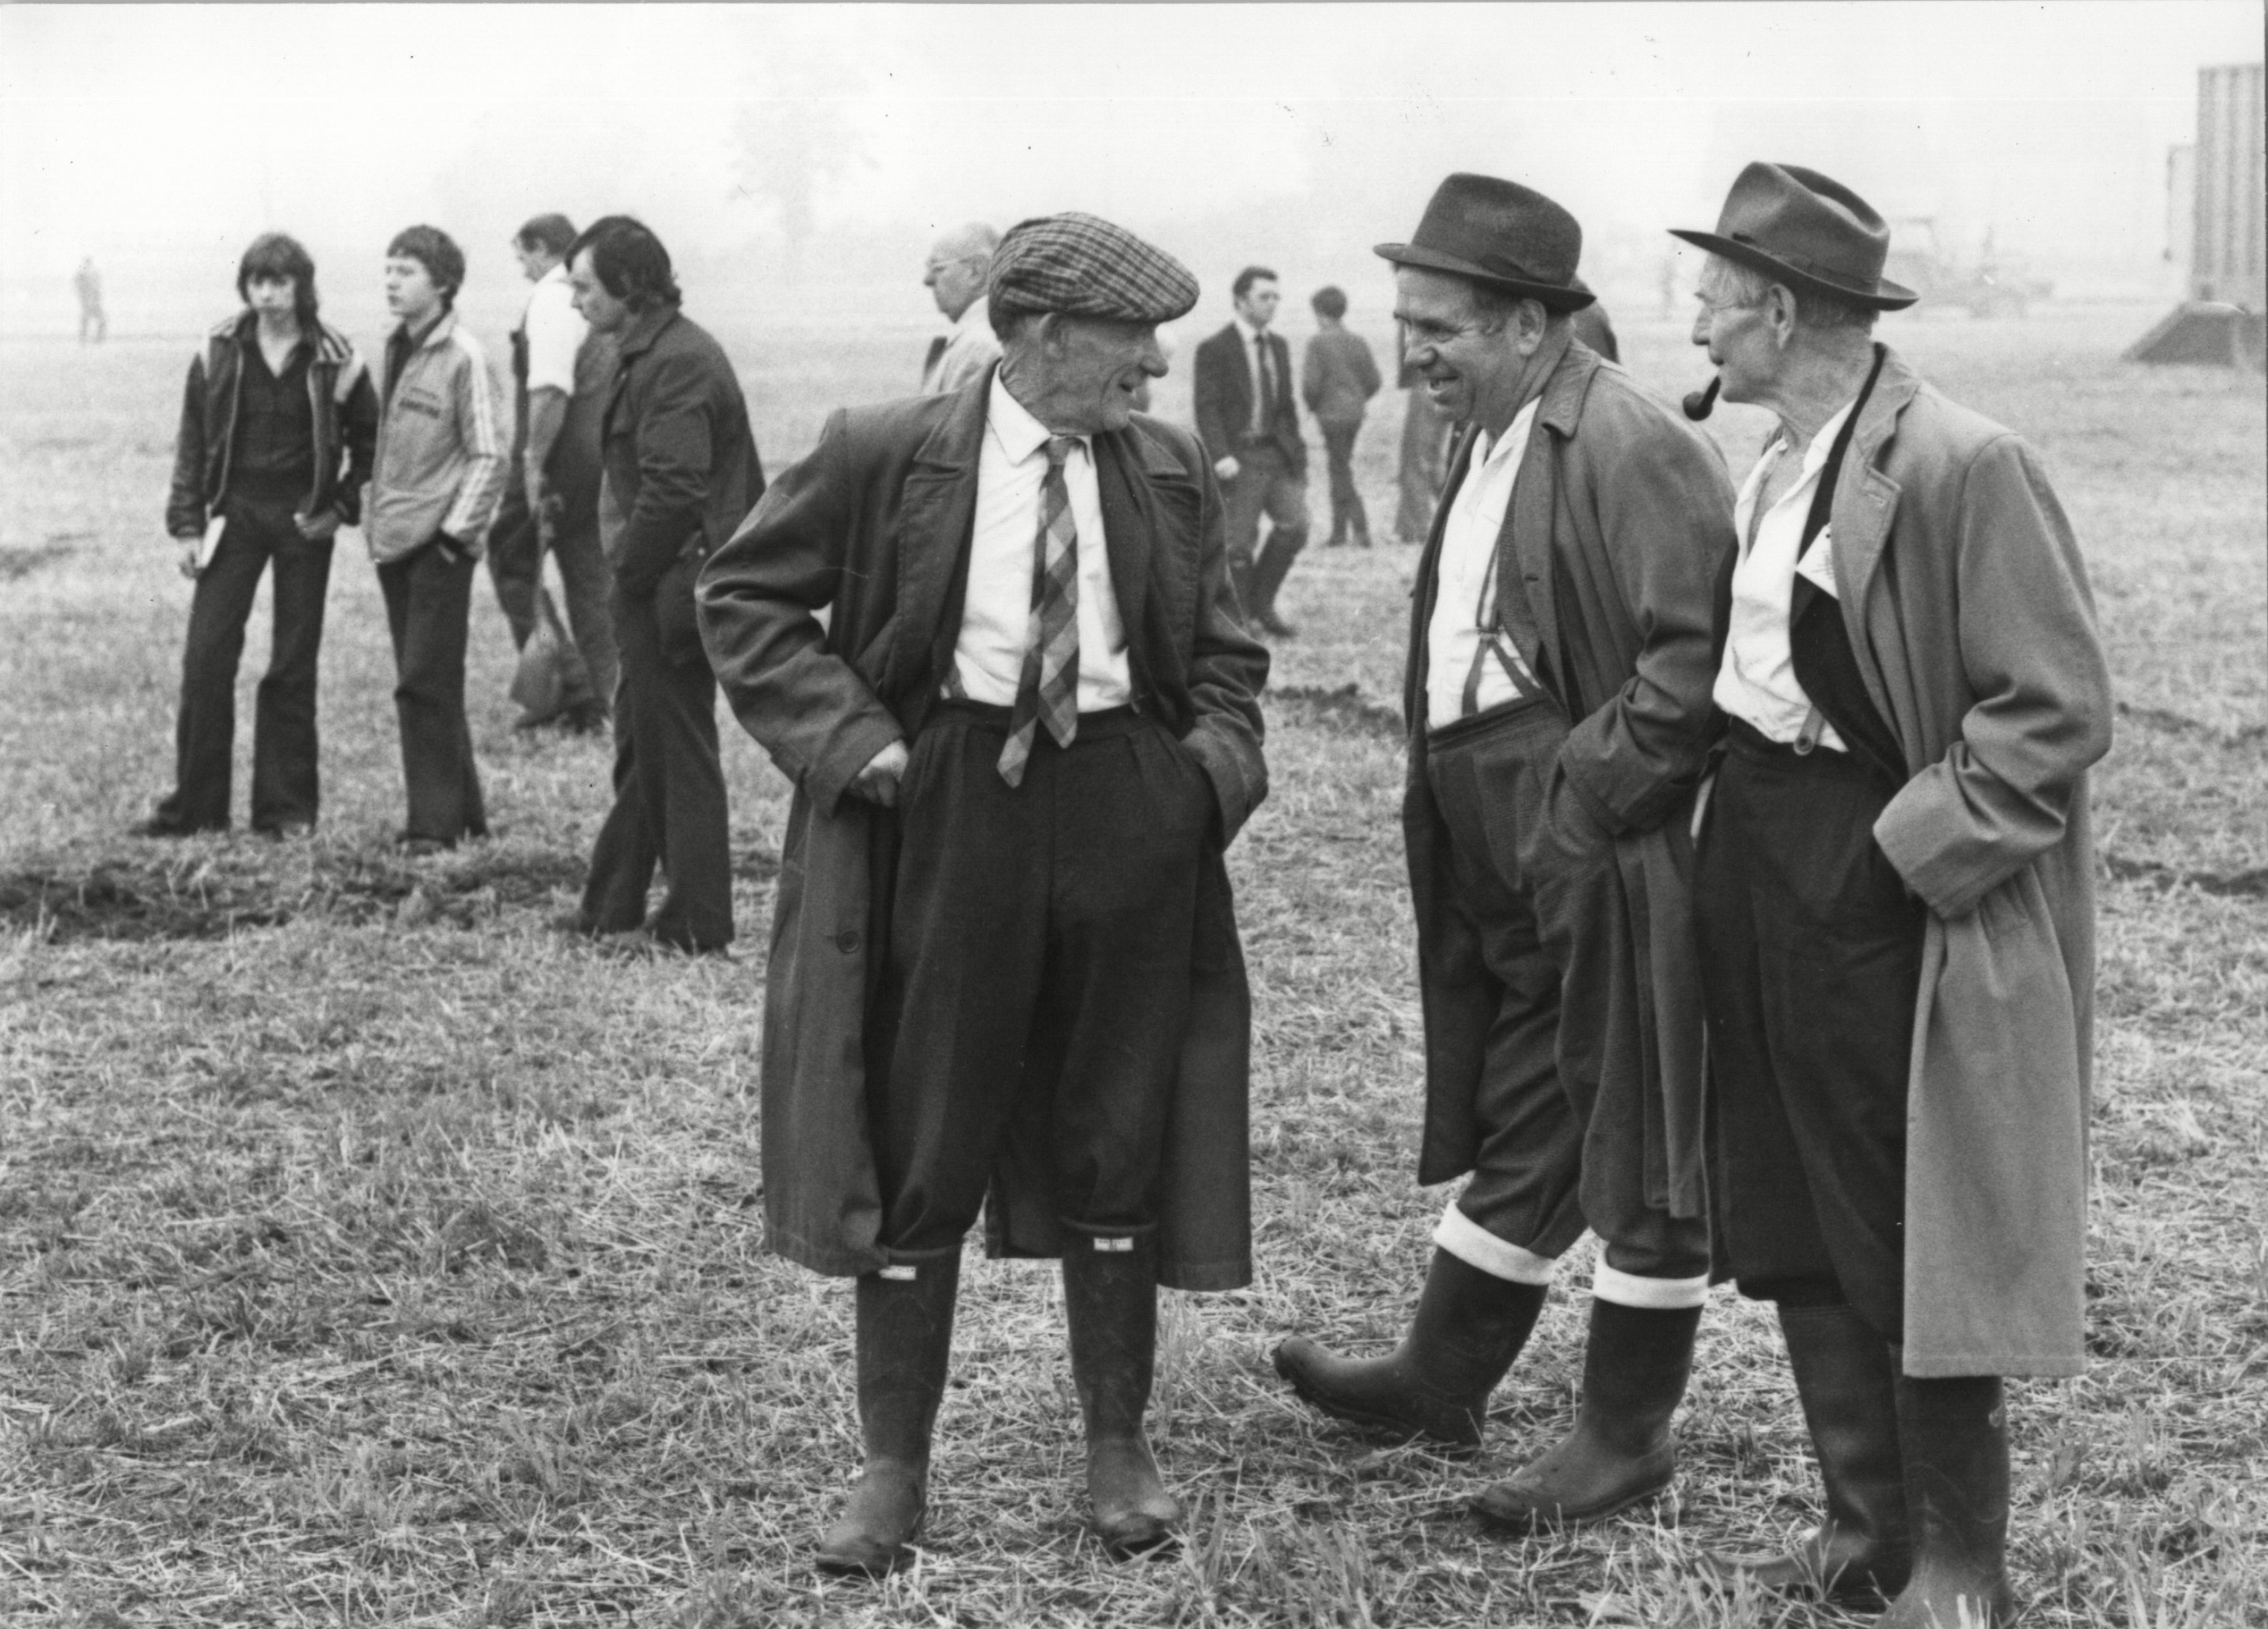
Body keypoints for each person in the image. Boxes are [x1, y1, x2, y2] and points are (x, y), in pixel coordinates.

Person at [697, 211, 1268, 1576]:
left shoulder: (1169, 466)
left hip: (1131, 800)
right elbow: (742, 599)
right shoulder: (884, 450)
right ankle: (892, 1465)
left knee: (1118, 1113)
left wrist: (1202, 781)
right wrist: (861, 744)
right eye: (1131, 342)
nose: (1153, 370)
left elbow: (1231, 653)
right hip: (954, 796)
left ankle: (1117, 1444)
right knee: (923, 1121)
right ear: (1042, 334)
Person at [1675, 163, 2111, 1628]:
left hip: (1870, 868)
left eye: (1715, 301)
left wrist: (1902, 851)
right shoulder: (1782, 461)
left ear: (1783, 308)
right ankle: (1866, 1528)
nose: (1696, 325)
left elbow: (2049, 708)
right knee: (1791, 1187)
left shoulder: (1961, 465)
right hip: (1755, 848)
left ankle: (1962, 1566)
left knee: (1908, 1208)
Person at [1270, 174, 1737, 1536]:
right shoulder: (1488, 425)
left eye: (1443, 326)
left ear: (1534, 324)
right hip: (1492, 823)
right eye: (1411, 320)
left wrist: (1584, 800)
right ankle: (1440, 1373)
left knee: (1643, 1109)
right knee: (1534, 1084)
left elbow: (1688, 665)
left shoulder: (1630, 441)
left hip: (1597, 823)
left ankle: (1621, 1435)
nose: (1416, 348)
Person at [559, 216, 762, 953]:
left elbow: (675, 488)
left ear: (628, 285)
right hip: (661, 578)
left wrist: (627, 578)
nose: (577, 301)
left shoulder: (677, 362)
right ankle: (609, 905)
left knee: (676, 751)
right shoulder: (643, 350)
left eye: (585, 287)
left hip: (674, 583)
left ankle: (696, 924)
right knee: (644, 745)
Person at [137, 233, 378, 838]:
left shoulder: (338, 359)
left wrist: (339, 509)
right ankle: (196, 811)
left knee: (292, 665)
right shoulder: (218, 348)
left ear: (303, 286)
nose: (267, 295)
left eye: (280, 282)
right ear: (244, 286)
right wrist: (188, 526)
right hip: (234, 516)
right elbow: (193, 441)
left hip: (302, 520)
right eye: (257, 282)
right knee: (207, 658)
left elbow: (372, 449)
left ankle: (285, 813)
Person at [366, 225, 507, 853]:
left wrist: (454, 538)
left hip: (437, 547)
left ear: (443, 284)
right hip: (394, 541)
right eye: (389, 269)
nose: (393, 282)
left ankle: (433, 827)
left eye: (407, 271)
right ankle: (466, 814)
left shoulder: (464, 357)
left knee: (421, 681)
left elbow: (489, 455)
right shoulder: (392, 349)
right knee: (431, 681)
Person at [487, 212, 618, 733]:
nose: (522, 269)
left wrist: (532, 462)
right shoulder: (591, 295)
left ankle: (570, 690)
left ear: (542, 249)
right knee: (589, 575)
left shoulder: (550, 297)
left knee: (512, 557)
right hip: (596, 457)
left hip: (558, 457)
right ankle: (602, 699)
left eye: (522, 256)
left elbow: (548, 389)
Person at [1193, 266, 1309, 636]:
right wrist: (1220, 454)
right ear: (1241, 301)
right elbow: (1206, 407)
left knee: (1296, 527)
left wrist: (1298, 456)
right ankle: (1240, 617)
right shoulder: (1215, 348)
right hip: (1239, 458)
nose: (1273, 304)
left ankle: (1262, 604)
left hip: (1276, 457)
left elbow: (1287, 406)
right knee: (1238, 545)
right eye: (1264, 297)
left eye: (1277, 297)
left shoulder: (1279, 346)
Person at [1300, 285, 1382, 548]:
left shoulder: (1318, 342)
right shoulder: (1357, 341)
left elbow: (1310, 385)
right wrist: (1357, 399)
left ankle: (1358, 530)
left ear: (1320, 312)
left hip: (1330, 416)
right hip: (1355, 415)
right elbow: (1374, 381)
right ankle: (1340, 533)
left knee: (1339, 471)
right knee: (1340, 468)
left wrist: (1314, 406)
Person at [919, 221, 1003, 394]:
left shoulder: (978, 346)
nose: (927, 280)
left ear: (976, 272)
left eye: (937, 268)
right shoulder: (992, 335)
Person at [75, 257, 106, 345]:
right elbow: (79, 285)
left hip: (93, 301)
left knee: (96, 320)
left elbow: (96, 288)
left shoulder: (91, 273)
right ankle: (88, 339)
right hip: (89, 302)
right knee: (89, 320)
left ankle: (94, 340)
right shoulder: (84, 273)